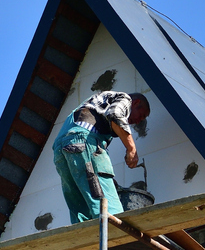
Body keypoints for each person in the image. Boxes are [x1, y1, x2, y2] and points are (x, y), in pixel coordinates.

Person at [52, 90, 151, 223]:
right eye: (142, 115)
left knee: (80, 206)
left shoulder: (92, 105)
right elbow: (115, 114)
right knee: (110, 209)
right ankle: (116, 237)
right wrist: (131, 148)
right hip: (83, 142)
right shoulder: (124, 98)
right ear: (136, 103)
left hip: (61, 149)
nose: (138, 121)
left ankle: (87, 239)